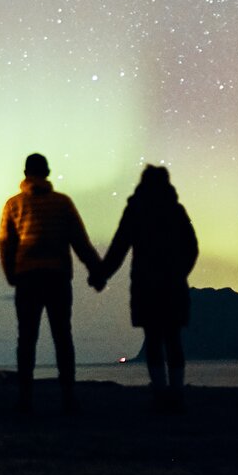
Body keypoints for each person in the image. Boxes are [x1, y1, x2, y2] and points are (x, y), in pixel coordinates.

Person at [0, 153, 102, 414]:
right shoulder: (62, 203)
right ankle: (68, 397)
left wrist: (11, 274)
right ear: (47, 173)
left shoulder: (13, 205)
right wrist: (96, 270)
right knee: (62, 337)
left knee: (27, 339)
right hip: (57, 276)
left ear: (25, 174)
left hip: (27, 278)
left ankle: (25, 399)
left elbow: (6, 244)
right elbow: (80, 240)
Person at [90, 165, 198, 415]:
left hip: (146, 285)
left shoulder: (136, 210)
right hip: (172, 285)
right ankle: (176, 395)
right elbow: (192, 247)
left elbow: (119, 247)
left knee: (153, 340)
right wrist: (180, 272)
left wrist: (101, 275)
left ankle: (161, 395)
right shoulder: (176, 210)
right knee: (172, 339)